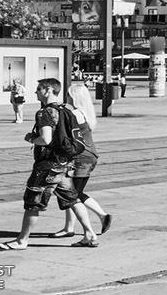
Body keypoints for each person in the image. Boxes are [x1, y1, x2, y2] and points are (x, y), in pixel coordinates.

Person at [0, 78, 99, 250]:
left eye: (38, 89)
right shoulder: (65, 110)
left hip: (47, 165)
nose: (36, 92)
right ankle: (90, 234)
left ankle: (22, 240)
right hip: (65, 163)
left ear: (48, 90)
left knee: (33, 202)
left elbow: (45, 139)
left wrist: (31, 138)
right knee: (72, 199)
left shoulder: (45, 113)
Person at [51, 82, 111, 240]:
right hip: (88, 156)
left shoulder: (75, 113)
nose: (67, 96)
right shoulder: (85, 112)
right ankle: (69, 227)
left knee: (71, 194)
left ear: (74, 97)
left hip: (81, 158)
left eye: (69, 94)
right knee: (71, 193)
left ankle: (101, 217)